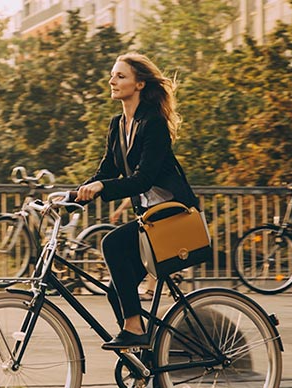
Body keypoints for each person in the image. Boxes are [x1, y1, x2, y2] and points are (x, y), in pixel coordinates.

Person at [73, 53, 199, 350]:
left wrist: (102, 187)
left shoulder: (152, 123)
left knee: (112, 244)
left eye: (120, 76)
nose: (112, 81)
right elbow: (106, 170)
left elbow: (143, 179)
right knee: (116, 292)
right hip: (150, 219)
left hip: (172, 216)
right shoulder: (118, 124)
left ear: (139, 84)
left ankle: (135, 329)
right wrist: (73, 195)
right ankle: (145, 355)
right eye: (112, 75)